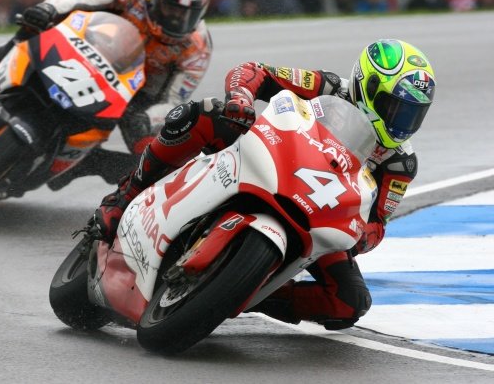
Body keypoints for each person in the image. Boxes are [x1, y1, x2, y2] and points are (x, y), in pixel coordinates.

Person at [93, 39, 437, 330]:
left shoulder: (400, 163)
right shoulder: (330, 87)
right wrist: (241, 98)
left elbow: (379, 220)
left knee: (349, 304)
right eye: (396, 109)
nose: (402, 123)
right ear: (370, 87)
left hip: (319, 214)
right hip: (273, 161)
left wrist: (364, 235)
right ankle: (126, 194)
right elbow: (256, 71)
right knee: (203, 113)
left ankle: (254, 291)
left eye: (412, 114)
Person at [0, 0, 213, 186]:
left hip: (136, 95)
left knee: (152, 155)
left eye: (187, 12)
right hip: (90, 51)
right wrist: (48, 8)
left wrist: (150, 117)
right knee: (34, 26)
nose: (178, 18)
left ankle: (85, 167)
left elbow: (173, 99)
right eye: (172, 8)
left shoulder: (198, 46)